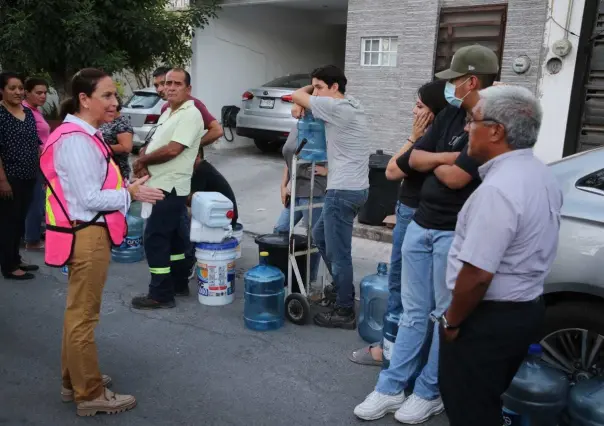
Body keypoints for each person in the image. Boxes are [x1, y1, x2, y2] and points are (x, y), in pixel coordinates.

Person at [354, 44, 499, 424]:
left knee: (440, 316)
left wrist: (438, 160)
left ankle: (428, 391)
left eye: (455, 81)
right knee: (413, 314)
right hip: (421, 224)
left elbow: (456, 176)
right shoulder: (451, 114)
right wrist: (448, 157)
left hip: (454, 232)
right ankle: (390, 387)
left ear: (471, 80)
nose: (450, 88)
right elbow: (412, 159)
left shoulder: (492, 121)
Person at [41, 68, 164, 416]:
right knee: (84, 316)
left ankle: (74, 380)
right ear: (84, 99)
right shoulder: (76, 140)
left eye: (115, 95)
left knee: (77, 313)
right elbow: (87, 199)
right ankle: (90, 393)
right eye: (107, 95)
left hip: (85, 231)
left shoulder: (82, 135)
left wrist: (127, 189)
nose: (115, 102)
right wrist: (130, 192)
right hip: (87, 233)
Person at [438, 85, 561, 426]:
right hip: (523, 311)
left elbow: (477, 275)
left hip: (487, 320)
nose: (466, 128)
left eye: (472, 120)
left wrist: (453, 321)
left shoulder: (497, 190)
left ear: (496, 131)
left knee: (470, 408)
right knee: (486, 399)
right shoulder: (541, 175)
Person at [349, 79, 448, 366]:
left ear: (434, 112)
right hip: (416, 212)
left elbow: (392, 170)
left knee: (402, 285)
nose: (414, 111)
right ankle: (400, 349)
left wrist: (413, 136)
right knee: (415, 290)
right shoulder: (444, 137)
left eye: (419, 106)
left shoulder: (428, 140)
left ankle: (389, 351)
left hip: (417, 214)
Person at [291, 65, 369, 329]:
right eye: (315, 87)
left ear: (335, 87)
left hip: (342, 191)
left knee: (340, 253)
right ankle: (340, 289)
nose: (317, 92)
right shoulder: (352, 104)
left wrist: (308, 95)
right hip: (352, 187)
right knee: (320, 235)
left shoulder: (336, 108)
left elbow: (296, 96)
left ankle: (345, 310)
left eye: (320, 87)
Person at [151, 66, 238, 286]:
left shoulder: (192, 107)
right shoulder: (166, 110)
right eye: (161, 84)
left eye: (171, 83)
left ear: (187, 88)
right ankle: (179, 275)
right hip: (166, 177)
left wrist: (188, 146)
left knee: (169, 227)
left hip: (184, 173)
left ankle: (170, 282)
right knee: (174, 226)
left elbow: (216, 130)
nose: (165, 88)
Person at [131, 68, 203, 309]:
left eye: (176, 83)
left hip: (168, 186)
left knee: (156, 238)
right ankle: (178, 283)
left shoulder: (190, 114)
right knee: (172, 239)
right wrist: (143, 158)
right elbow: (154, 143)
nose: (170, 87)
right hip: (160, 183)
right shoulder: (169, 113)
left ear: (188, 89)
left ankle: (160, 294)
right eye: (167, 83)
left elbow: (173, 149)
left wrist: (143, 161)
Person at [274, 124, 328, 286]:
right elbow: (289, 159)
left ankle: (308, 280)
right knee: (280, 230)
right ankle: (282, 273)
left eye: (297, 103)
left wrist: (328, 169)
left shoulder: (323, 127)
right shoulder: (297, 126)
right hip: (295, 189)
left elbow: (343, 154)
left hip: (314, 190)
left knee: (314, 237)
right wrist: (284, 185)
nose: (293, 107)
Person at [0, 71, 41, 280]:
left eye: (20, 88)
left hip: (29, 176)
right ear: (2, 91)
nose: (18, 92)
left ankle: (15, 258)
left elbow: (36, 144)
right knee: (9, 221)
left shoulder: (28, 113)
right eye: (12, 88)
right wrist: (2, 180)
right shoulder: (1, 114)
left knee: (19, 220)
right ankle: (8, 266)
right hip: (10, 178)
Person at [23, 77, 51, 251]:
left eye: (45, 93)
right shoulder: (26, 111)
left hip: (43, 162)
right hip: (36, 163)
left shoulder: (35, 111)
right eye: (38, 92)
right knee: (36, 202)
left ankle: (31, 235)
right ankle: (32, 240)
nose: (43, 96)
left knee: (37, 200)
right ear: (27, 93)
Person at [99, 96, 133, 180]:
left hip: (118, 169)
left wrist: (101, 147)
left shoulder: (122, 123)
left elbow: (126, 147)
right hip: (105, 168)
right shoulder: (106, 120)